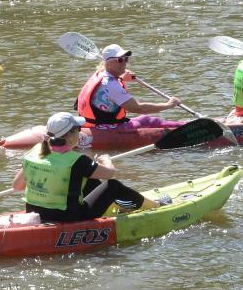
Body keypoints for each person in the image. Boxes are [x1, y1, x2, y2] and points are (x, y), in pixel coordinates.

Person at [11, 112, 169, 221]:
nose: (80, 133)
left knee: (91, 181)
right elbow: (109, 174)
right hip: (69, 217)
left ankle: (119, 205)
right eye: (78, 130)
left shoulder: (34, 152)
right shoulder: (77, 160)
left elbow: (17, 186)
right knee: (113, 186)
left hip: (35, 212)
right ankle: (155, 206)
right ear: (70, 135)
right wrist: (105, 160)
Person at [75, 43, 185, 130]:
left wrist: (122, 76)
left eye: (126, 59)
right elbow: (138, 108)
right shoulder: (110, 84)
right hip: (104, 128)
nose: (124, 63)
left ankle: (185, 125)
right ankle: (185, 128)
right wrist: (168, 105)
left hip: (96, 123)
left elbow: (107, 76)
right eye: (120, 60)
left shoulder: (100, 73)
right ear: (109, 63)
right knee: (146, 121)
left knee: (147, 120)